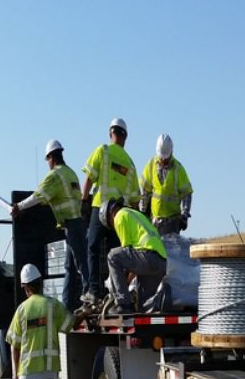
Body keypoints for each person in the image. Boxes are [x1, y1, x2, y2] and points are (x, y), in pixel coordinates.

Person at [11, 139, 89, 312]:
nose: (48, 163)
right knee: (70, 267)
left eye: (47, 160)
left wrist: (19, 207)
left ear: (51, 157)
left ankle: (89, 296)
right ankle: (68, 304)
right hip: (75, 224)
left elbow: (38, 196)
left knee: (81, 262)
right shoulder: (71, 174)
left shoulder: (55, 175)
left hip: (72, 223)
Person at [81, 118, 140, 304]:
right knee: (115, 254)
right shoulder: (129, 164)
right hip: (117, 215)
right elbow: (135, 199)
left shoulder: (103, 151)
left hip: (99, 209)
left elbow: (90, 178)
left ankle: (94, 291)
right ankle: (115, 293)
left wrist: (84, 200)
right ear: (126, 137)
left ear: (110, 133)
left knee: (92, 248)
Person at [99, 199, 167, 315]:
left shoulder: (120, 216)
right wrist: (126, 282)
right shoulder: (136, 214)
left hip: (146, 256)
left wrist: (122, 286)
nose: (113, 226)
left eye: (110, 224)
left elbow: (126, 252)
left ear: (110, 214)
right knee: (143, 307)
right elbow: (133, 261)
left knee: (112, 256)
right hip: (160, 262)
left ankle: (123, 304)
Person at [140, 133, 193, 235]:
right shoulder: (150, 165)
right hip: (153, 221)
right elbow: (145, 191)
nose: (163, 160)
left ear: (171, 152)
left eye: (166, 158)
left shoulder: (178, 169)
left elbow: (187, 194)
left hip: (173, 223)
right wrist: (143, 211)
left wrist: (184, 215)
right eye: (161, 157)